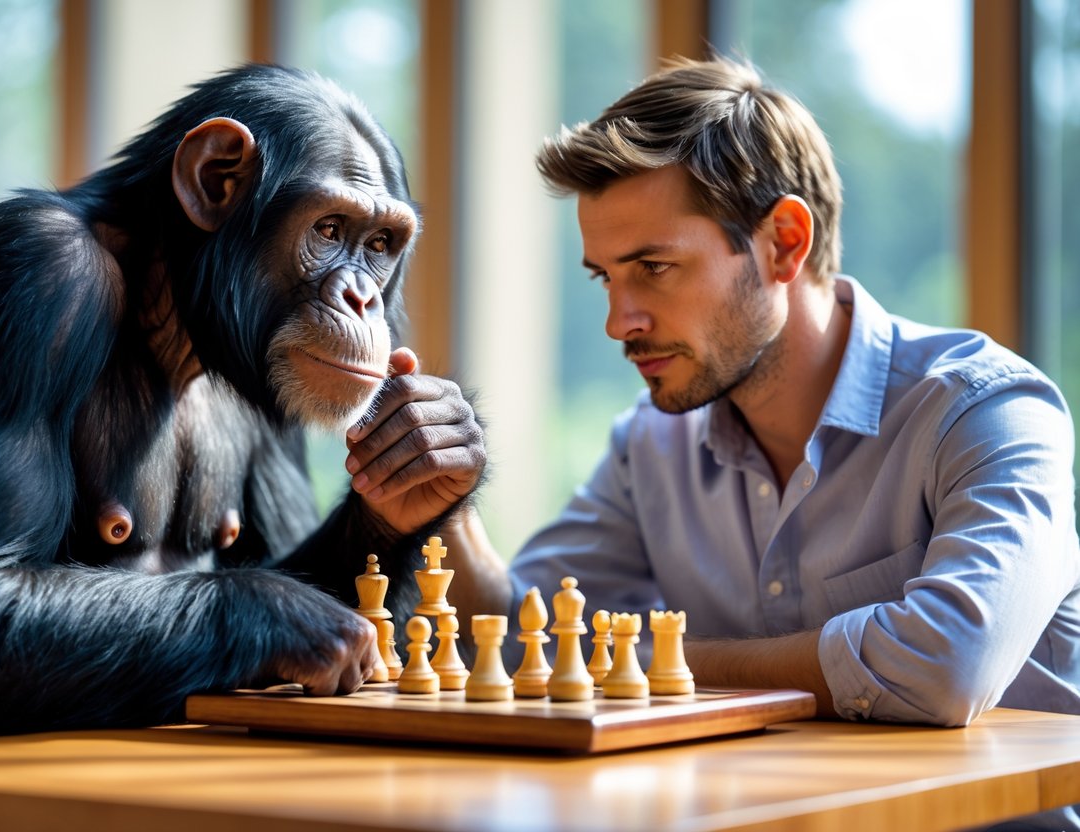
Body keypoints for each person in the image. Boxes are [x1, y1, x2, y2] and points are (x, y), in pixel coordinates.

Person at [429, 55, 1080, 731]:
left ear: (784, 244)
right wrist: (445, 510)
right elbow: (523, 640)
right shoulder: (652, 447)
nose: (618, 322)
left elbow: (947, 667)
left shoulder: (984, 413)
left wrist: (662, 658)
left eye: (653, 268)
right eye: (604, 278)